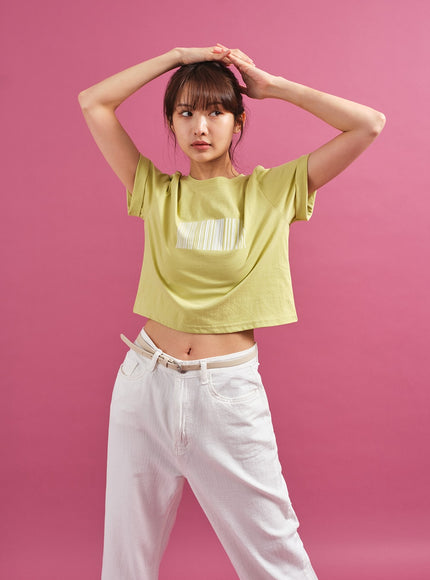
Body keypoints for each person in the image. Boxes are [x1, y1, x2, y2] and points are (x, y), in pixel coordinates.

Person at [78, 44, 385, 580]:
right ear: (171, 124)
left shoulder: (272, 191)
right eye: (186, 113)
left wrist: (273, 86)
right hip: (143, 384)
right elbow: (94, 103)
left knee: (277, 559)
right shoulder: (155, 190)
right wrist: (176, 56)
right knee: (125, 563)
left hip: (223, 392)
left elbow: (368, 125)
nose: (200, 126)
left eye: (216, 111)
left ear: (238, 121)